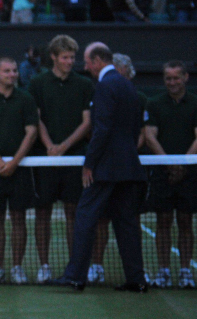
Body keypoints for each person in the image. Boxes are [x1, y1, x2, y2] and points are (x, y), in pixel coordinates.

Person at [51, 43, 148, 292]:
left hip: (106, 167)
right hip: (127, 166)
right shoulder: (127, 85)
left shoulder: (105, 86)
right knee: (126, 222)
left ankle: (75, 276)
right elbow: (135, 128)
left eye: (86, 61)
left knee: (84, 217)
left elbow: (101, 129)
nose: (85, 67)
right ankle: (137, 279)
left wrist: (89, 164)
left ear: (97, 61)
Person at [29, 35, 93, 283]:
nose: (69, 61)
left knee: (73, 213)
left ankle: (74, 267)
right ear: (54, 57)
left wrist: (64, 146)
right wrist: (50, 147)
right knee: (42, 212)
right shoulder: (37, 83)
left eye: (72, 57)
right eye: (65, 57)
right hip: (45, 159)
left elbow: (87, 121)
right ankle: (44, 265)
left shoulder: (84, 84)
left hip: (74, 159)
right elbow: (36, 118)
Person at [0, 57, 39, 284]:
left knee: (19, 218)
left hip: (20, 170)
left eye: (14, 71)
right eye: (7, 71)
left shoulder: (26, 99)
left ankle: (17, 268)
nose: (12, 74)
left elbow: (31, 133)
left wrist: (14, 163)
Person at [90, 53, 148, 283]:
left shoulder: (126, 92)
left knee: (127, 222)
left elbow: (136, 132)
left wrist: (92, 162)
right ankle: (99, 268)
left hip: (119, 170)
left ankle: (135, 277)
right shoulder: (110, 89)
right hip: (115, 167)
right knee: (107, 221)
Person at [143, 61, 197, 288]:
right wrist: (170, 164)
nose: (172, 82)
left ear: (185, 77)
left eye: (176, 78)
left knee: (185, 221)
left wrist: (182, 165)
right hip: (163, 174)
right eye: (168, 78)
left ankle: (185, 271)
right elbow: (149, 136)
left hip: (190, 174)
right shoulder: (154, 104)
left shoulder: (195, 103)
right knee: (163, 221)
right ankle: (163, 270)